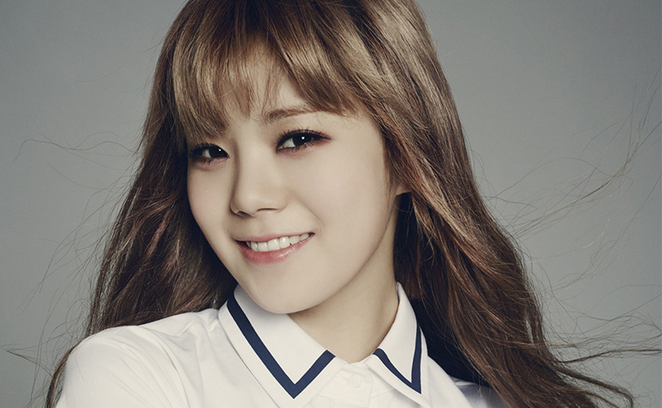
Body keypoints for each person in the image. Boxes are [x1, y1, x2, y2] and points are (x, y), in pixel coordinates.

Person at [47, 0, 634, 407]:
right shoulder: (137, 378)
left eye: (297, 138)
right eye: (209, 151)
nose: (248, 196)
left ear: (405, 154)